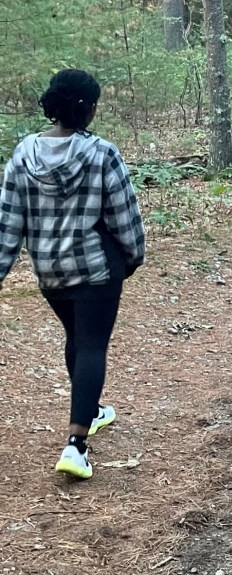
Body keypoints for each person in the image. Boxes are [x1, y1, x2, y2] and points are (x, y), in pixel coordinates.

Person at [0, 69, 145, 479]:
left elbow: (8, 225)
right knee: (92, 345)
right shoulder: (102, 154)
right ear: (88, 108)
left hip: (50, 271)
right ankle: (76, 446)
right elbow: (124, 216)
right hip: (96, 269)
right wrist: (132, 257)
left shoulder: (23, 154)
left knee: (77, 338)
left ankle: (92, 409)